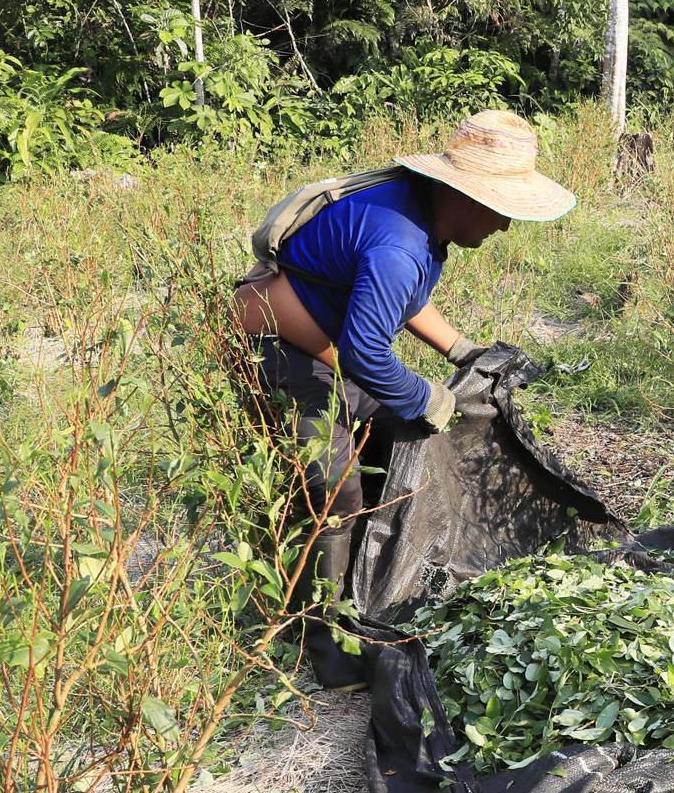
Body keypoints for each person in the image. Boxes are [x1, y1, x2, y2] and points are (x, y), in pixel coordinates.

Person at [231, 110, 575, 688]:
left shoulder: (417, 214)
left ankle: (370, 584)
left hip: (326, 344)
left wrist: (459, 350)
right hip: (278, 348)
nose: (504, 228)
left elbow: (399, 299)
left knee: (396, 436)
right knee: (332, 486)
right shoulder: (400, 241)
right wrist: (424, 395)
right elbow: (367, 352)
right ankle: (326, 639)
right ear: (465, 197)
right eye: (501, 212)